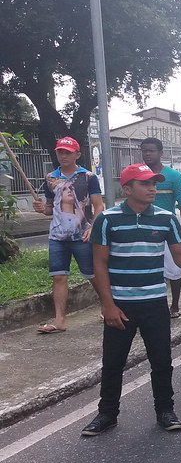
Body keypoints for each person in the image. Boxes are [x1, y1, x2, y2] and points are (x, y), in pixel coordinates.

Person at [80, 163, 181, 436]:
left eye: (154, 183)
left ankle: (165, 410)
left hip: (154, 302)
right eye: (145, 183)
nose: (153, 188)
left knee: (161, 359)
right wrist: (108, 305)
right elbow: (99, 264)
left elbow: (179, 258)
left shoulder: (166, 218)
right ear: (127, 189)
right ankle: (107, 414)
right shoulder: (108, 219)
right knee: (113, 362)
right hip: (120, 305)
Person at [33, 137, 104, 334]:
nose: (63, 155)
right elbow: (49, 209)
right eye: (60, 152)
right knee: (59, 277)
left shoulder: (88, 177)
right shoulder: (50, 178)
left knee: (92, 274)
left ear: (77, 154)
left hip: (83, 235)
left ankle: (107, 306)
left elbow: (98, 206)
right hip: (57, 236)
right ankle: (59, 320)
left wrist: (93, 228)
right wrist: (41, 208)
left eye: (68, 152)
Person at [140, 137, 181, 318]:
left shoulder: (173, 176)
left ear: (161, 153)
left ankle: (174, 306)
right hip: (143, 230)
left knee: (175, 269)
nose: (147, 154)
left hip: (167, 229)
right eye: (144, 150)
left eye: (151, 150)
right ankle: (153, 306)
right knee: (148, 270)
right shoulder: (137, 175)